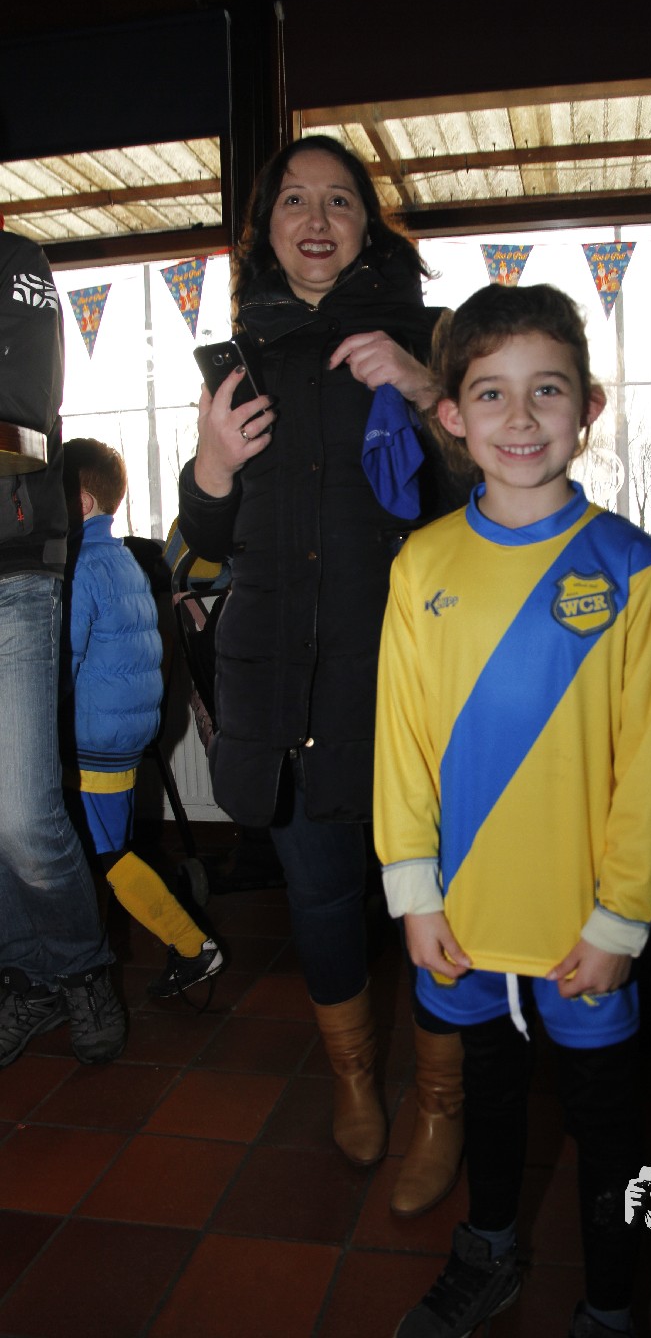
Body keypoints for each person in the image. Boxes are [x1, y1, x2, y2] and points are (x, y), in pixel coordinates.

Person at [374, 284, 651, 1338]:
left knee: (609, 1128)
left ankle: (612, 1303)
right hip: (461, 920)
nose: (519, 417)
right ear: (449, 416)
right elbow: (401, 748)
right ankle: (489, 1251)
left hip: (583, 927)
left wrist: (621, 919)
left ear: (587, 406)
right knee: (492, 1102)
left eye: (546, 390)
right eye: (490, 393)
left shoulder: (633, 568)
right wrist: (414, 893)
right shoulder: (421, 565)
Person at [177, 135, 468, 1213]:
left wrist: (429, 389)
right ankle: (353, 1080)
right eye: (293, 200)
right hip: (278, 679)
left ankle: (439, 1101)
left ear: (366, 224)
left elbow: (491, 488)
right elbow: (207, 540)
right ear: (266, 228)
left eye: (338, 200)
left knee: (434, 892)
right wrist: (209, 468)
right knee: (323, 893)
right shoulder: (235, 360)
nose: (315, 218)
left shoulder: (428, 339)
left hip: (404, 672)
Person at [0, 227, 125, 1068]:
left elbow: (21, 411)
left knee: (22, 812)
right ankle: (29, 979)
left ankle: (81, 967)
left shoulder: (15, 263)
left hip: (11, 566)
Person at [60, 437, 224, 999]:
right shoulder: (123, 559)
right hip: (122, 735)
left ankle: (193, 947)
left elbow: (65, 660)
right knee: (103, 849)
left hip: (94, 741)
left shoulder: (81, 567)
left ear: (81, 503)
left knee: (109, 856)